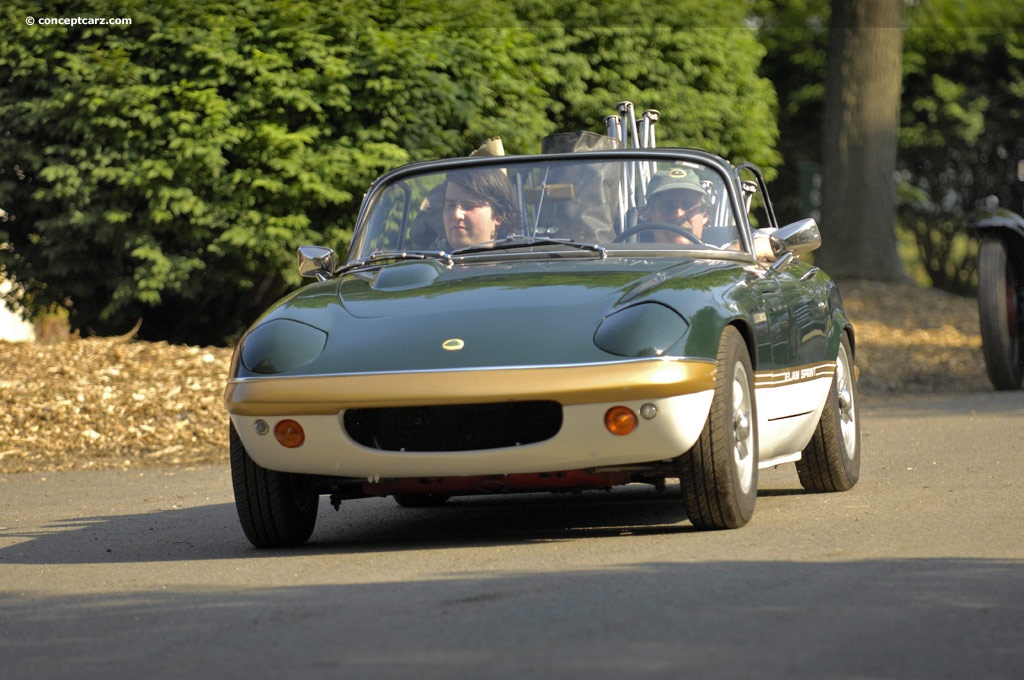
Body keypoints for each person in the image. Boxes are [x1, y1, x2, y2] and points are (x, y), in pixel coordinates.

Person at [441, 167, 519, 249]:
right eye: (451, 205)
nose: (456, 214)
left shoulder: (525, 259)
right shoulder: (429, 260)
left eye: (469, 206)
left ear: (499, 216)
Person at [642, 167, 713, 245]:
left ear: (705, 215)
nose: (678, 215)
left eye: (688, 205)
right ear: (649, 218)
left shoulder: (721, 255)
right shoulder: (630, 255)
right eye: (667, 206)